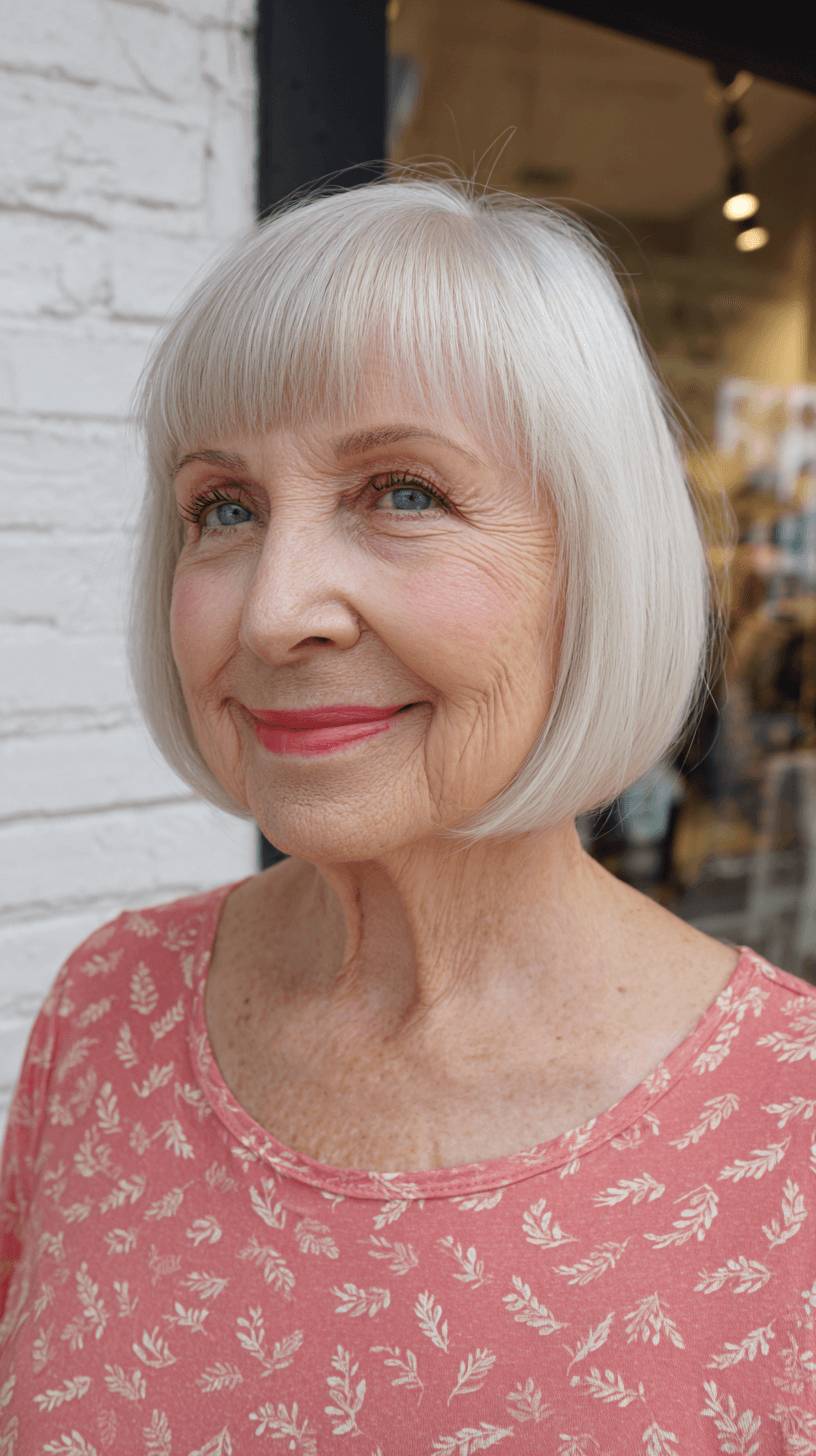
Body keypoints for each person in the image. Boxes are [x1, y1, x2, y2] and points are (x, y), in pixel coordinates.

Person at [1, 166, 814, 1452]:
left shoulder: (787, 1136)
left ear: (591, 562)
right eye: (225, 507)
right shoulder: (112, 1012)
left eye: (404, 492)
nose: (274, 610)